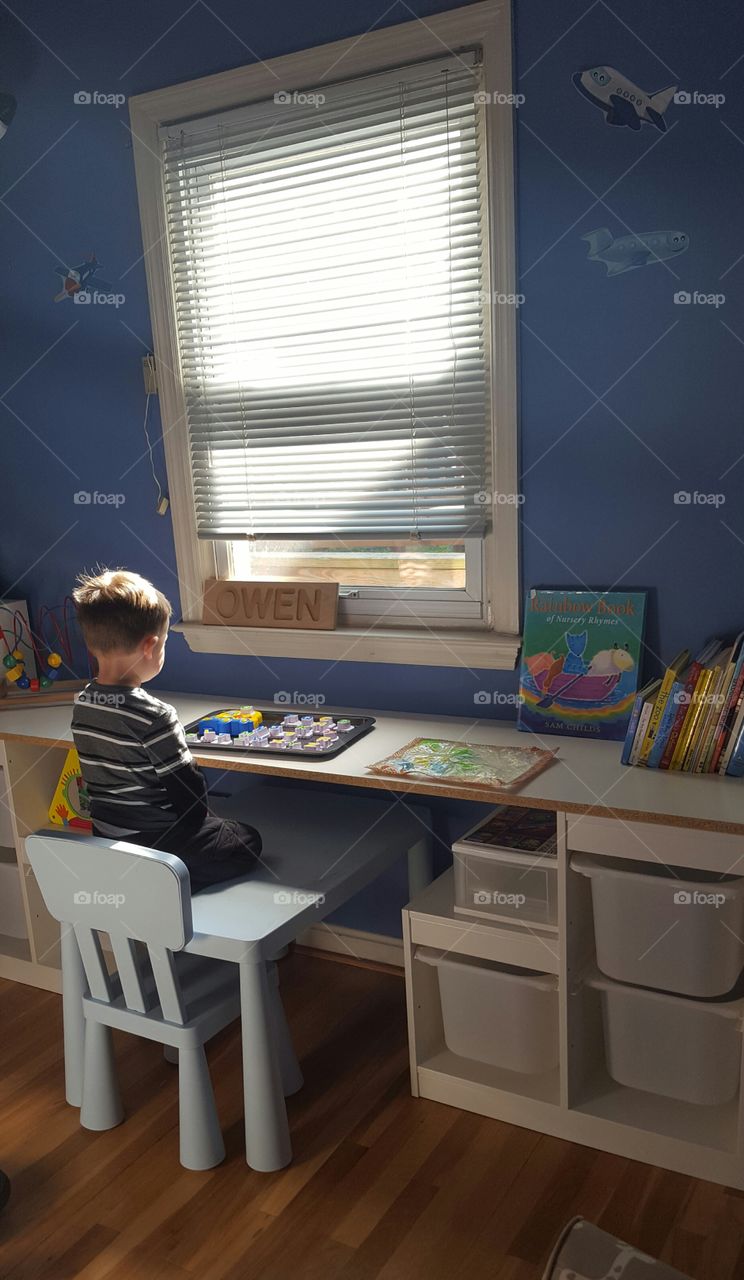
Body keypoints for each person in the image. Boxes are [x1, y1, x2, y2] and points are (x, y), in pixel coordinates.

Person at [71, 568, 261, 892]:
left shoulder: (84, 702)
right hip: (159, 844)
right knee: (247, 839)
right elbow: (191, 802)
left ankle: (151, 880)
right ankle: (168, 885)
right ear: (150, 646)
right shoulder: (156, 716)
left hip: (108, 839)